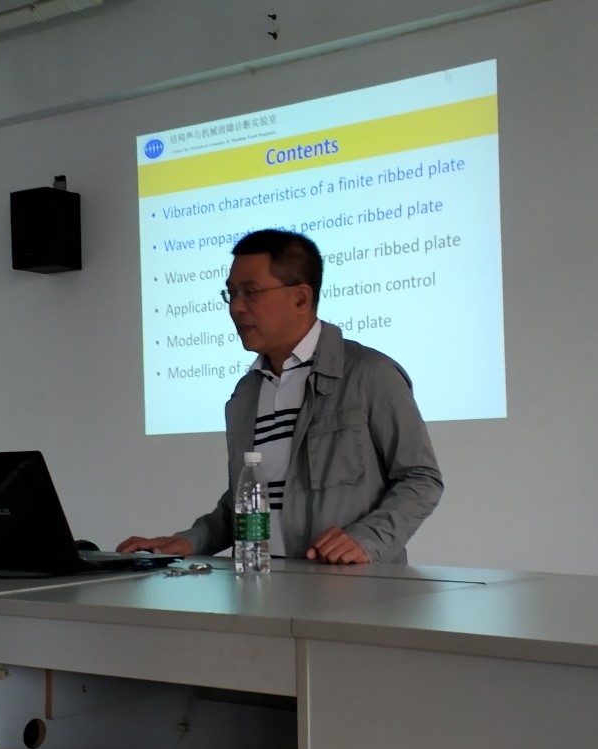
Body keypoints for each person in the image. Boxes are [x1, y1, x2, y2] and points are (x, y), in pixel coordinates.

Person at [118, 229, 443, 564]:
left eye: (250, 292)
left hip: (352, 586)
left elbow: (421, 478)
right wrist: (189, 541)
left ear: (301, 298)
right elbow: (248, 504)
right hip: (261, 584)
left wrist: (368, 539)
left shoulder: (370, 374)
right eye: (231, 293)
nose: (236, 307)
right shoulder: (245, 394)